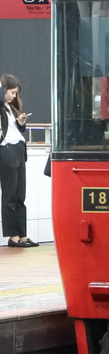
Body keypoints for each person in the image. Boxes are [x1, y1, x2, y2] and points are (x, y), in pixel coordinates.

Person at [0, 74, 36, 248]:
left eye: (16, 93)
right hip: (6, 151)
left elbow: (15, 130)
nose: (14, 96)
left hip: (19, 150)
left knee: (20, 195)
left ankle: (22, 234)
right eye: (12, 92)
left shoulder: (10, 107)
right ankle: (12, 235)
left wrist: (20, 122)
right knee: (10, 196)